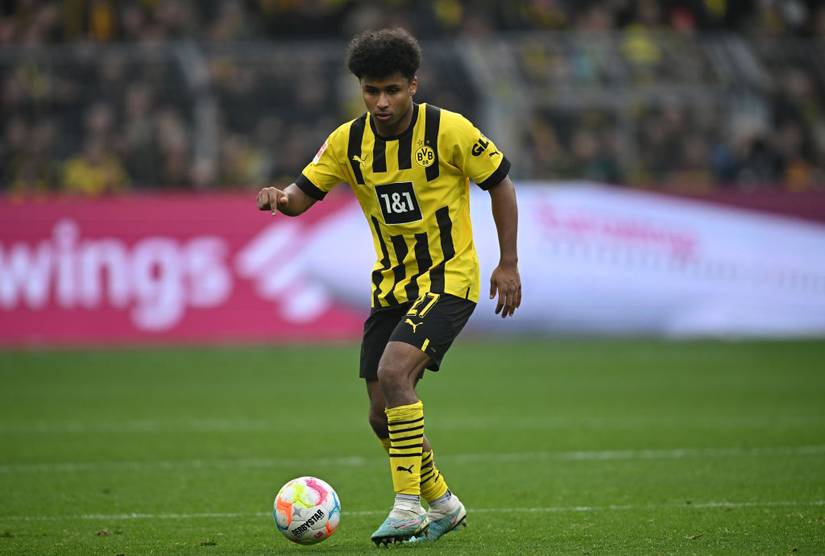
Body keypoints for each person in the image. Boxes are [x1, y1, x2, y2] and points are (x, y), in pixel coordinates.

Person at [256, 28, 521, 545]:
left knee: (394, 370)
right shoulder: (346, 142)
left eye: (392, 90)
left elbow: (501, 184)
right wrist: (277, 198)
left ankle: (406, 508)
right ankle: (442, 502)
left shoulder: (449, 131)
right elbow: (301, 195)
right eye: (371, 90)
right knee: (381, 413)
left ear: (413, 86)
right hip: (392, 287)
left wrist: (507, 263)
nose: (381, 101)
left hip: (451, 278)